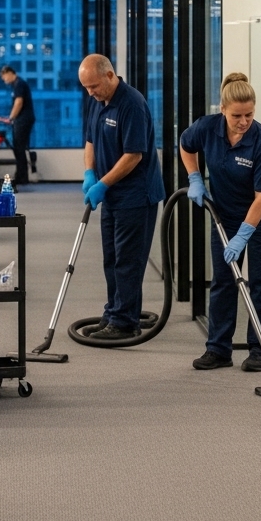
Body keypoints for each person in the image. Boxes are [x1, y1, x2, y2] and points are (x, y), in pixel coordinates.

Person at [179, 73, 261, 371]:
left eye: (249, 114)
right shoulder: (207, 127)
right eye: (237, 115)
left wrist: (243, 236)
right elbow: (186, 145)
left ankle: (258, 350)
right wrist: (195, 177)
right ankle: (218, 349)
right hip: (225, 214)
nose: (243, 121)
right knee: (224, 281)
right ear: (223, 109)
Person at [80, 53, 165, 340]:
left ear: (109, 75)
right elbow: (90, 140)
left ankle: (126, 321)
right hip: (113, 195)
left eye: (93, 86)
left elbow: (133, 156)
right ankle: (113, 313)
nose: (90, 93)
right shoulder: (98, 102)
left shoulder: (131, 104)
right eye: (86, 88)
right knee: (111, 258)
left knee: (128, 260)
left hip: (136, 195)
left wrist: (101, 184)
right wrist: (89, 173)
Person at [0, 65, 38, 187]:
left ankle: (22, 177)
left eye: (4, 77)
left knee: (19, 148)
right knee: (19, 147)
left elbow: (19, 102)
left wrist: (11, 118)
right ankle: (21, 175)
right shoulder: (17, 84)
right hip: (23, 119)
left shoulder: (19, 84)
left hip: (23, 120)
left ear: (9, 73)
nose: (4, 80)